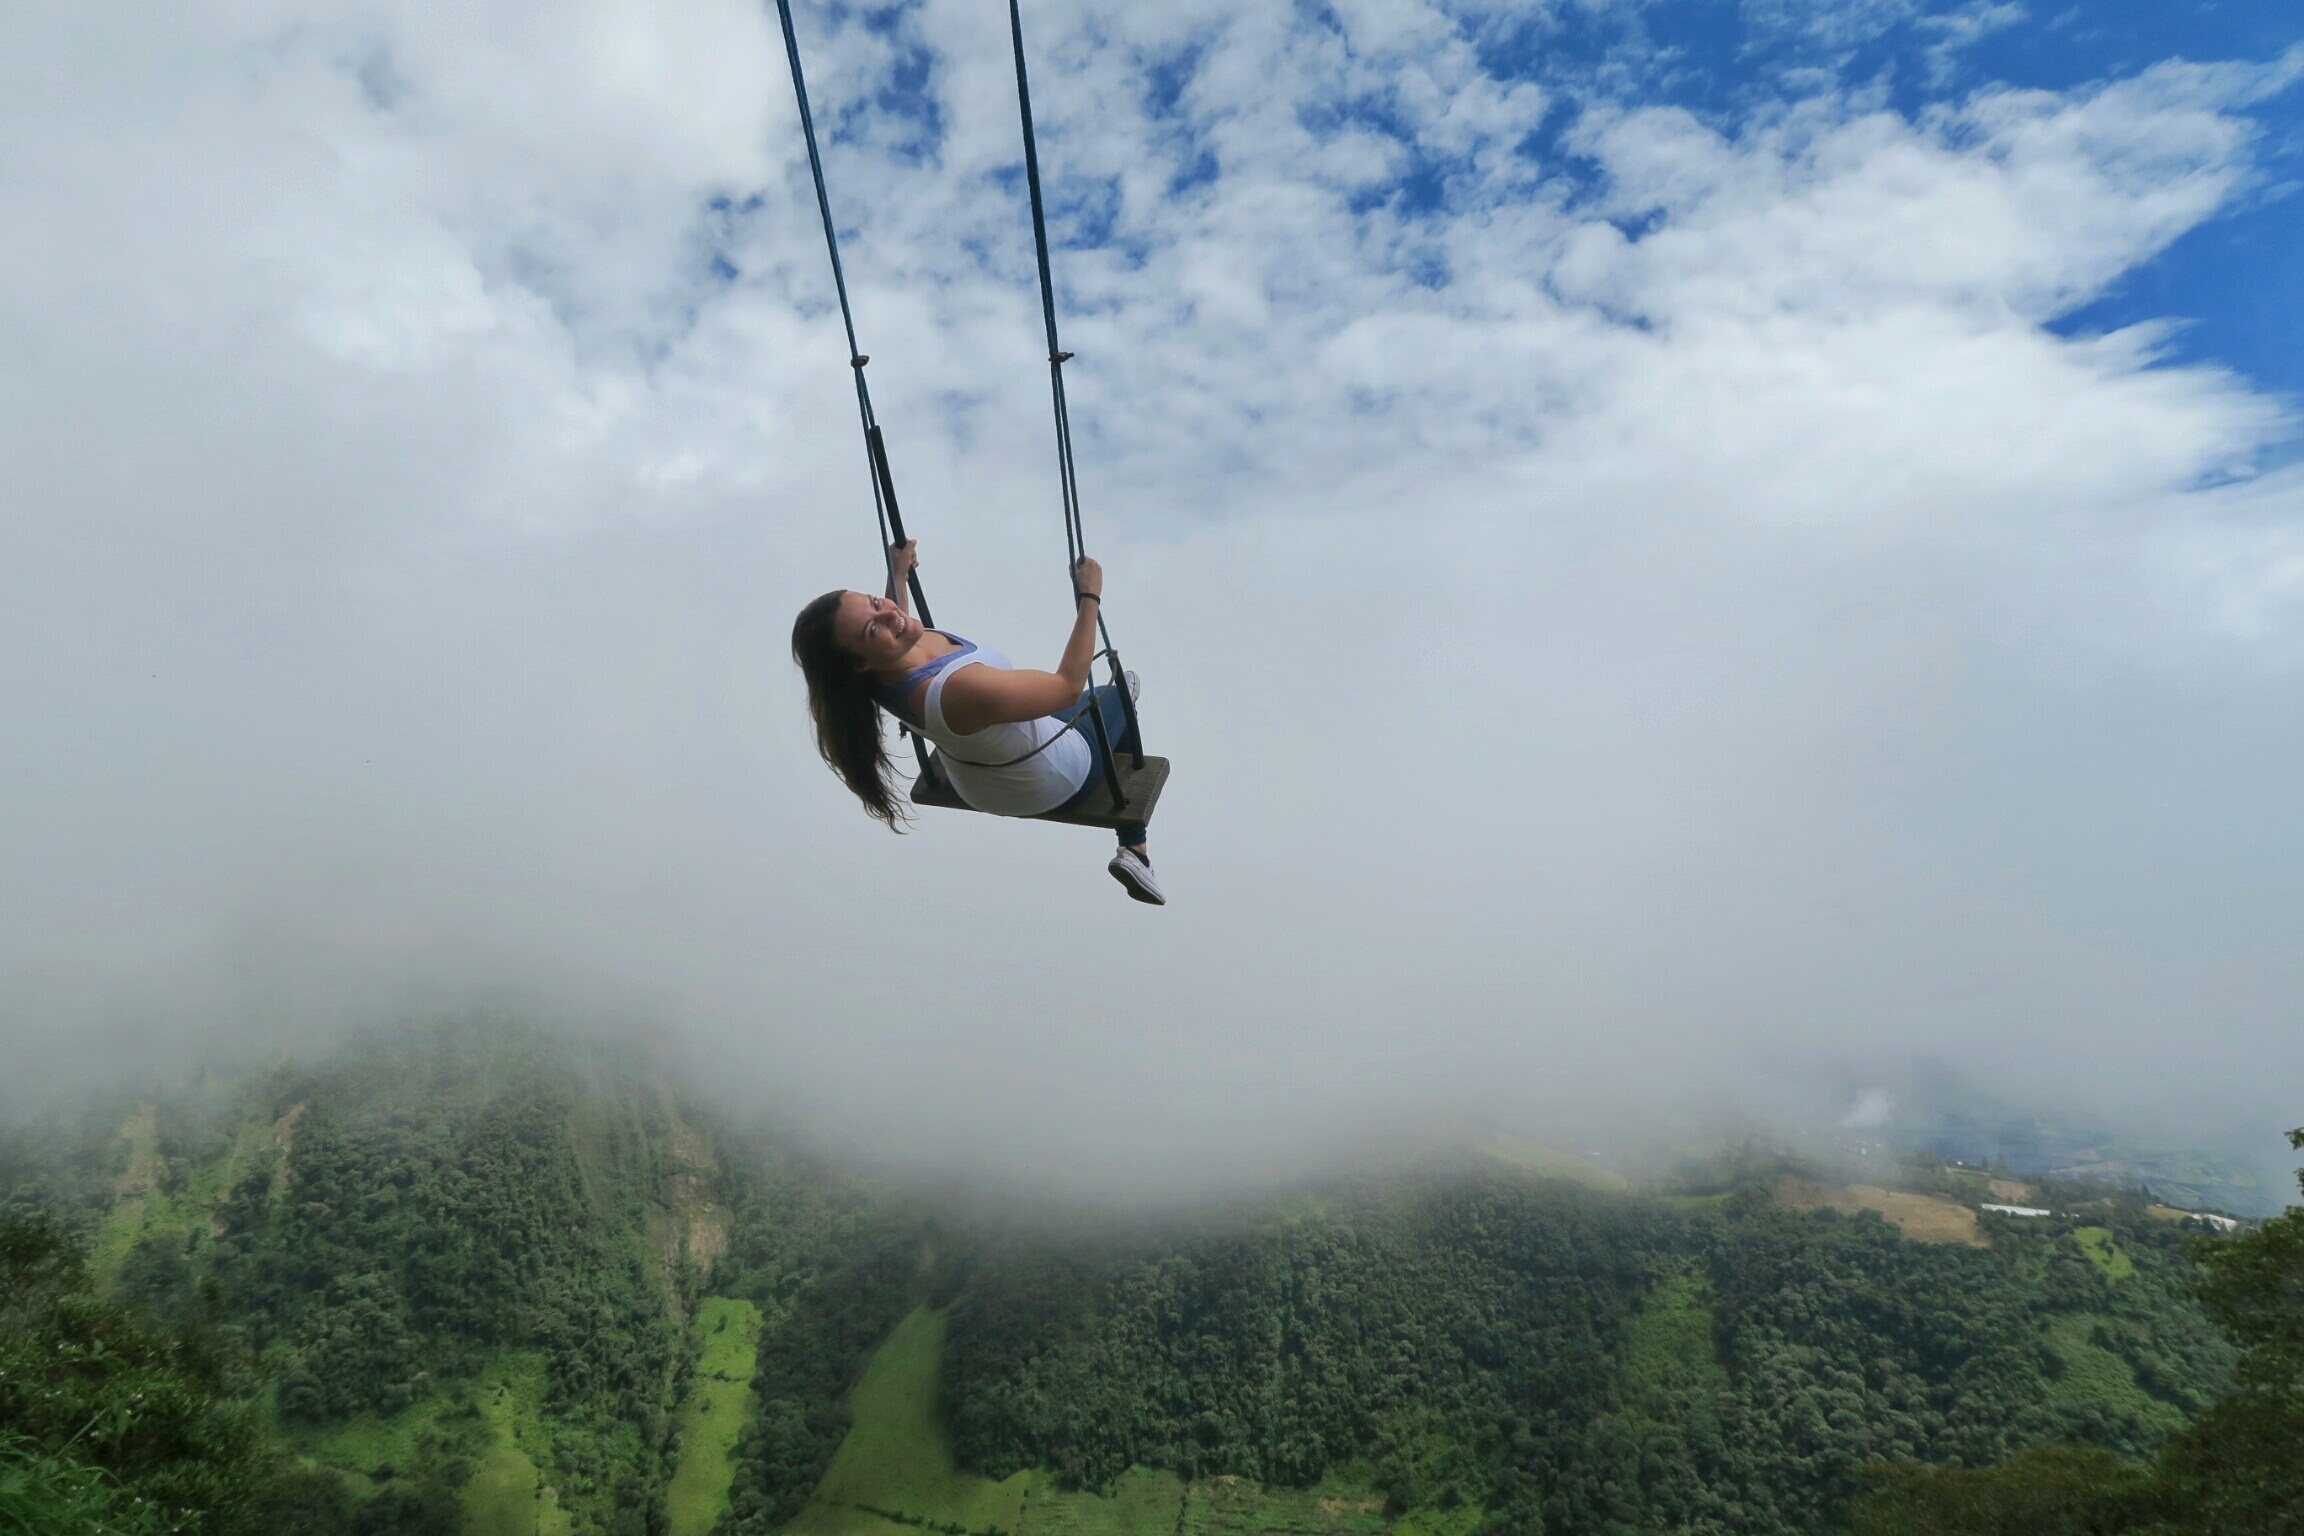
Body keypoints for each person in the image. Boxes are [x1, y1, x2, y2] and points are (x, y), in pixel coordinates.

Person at [790, 540, 1164, 905]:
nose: (890, 614)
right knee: (1122, 689)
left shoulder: (872, 674)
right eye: (873, 629)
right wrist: (1090, 598)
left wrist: (897, 576)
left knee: (1066, 703)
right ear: (861, 662)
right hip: (1052, 778)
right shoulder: (958, 689)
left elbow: (893, 623)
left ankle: (1133, 842)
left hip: (976, 782)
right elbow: (1066, 689)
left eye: (875, 601)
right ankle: (1135, 845)